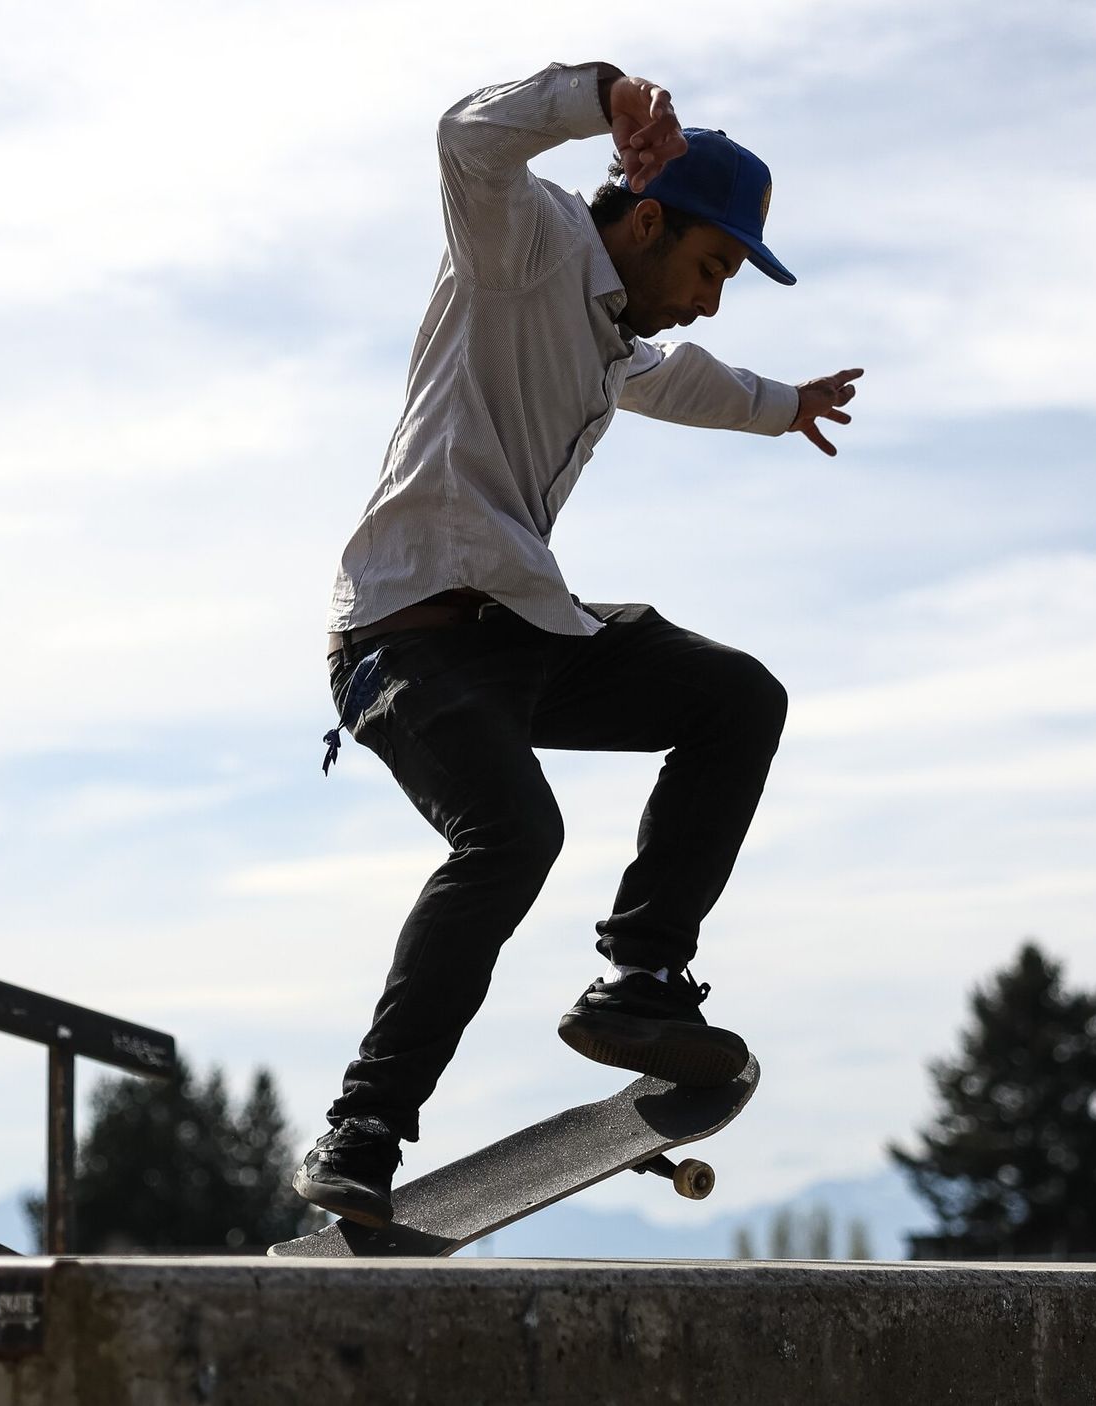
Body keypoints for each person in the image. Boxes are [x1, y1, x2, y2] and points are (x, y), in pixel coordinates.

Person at [296, 60, 863, 1228]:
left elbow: (672, 379)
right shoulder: (528, 246)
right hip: (406, 642)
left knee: (733, 697)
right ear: (645, 220)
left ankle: (641, 978)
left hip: (517, 634)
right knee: (510, 835)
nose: (708, 299)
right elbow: (467, 140)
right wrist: (597, 95)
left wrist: (777, 403)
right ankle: (363, 1126)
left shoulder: (608, 331)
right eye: (708, 268)